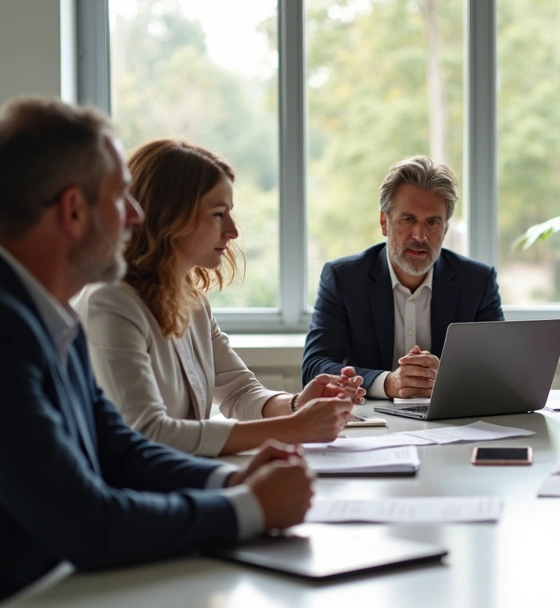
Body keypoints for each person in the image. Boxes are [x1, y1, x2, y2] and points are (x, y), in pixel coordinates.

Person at [0, 98, 316, 608]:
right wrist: (250, 508)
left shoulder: (37, 302)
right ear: (74, 211)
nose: (137, 215)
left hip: (43, 595)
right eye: (121, 196)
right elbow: (86, 523)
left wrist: (232, 477)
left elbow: (118, 449)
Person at [74, 139, 359, 457]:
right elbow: (148, 432)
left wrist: (297, 404)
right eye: (218, 214)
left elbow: (239, 392)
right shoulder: (110, 302)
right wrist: (292, 428)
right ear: (170, 217)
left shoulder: (192, 301)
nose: (233, 231)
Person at [302, 155, 504, 399]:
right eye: (408, 219)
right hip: (372, 424)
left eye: (433, 222)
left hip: (452, 424)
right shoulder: (344, 279)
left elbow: (498, 370)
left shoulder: (477, 282)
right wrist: (388, 382)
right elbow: (315, 368)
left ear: (446, 229)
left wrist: (446, 378)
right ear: (384, 223)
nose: (420, 235)